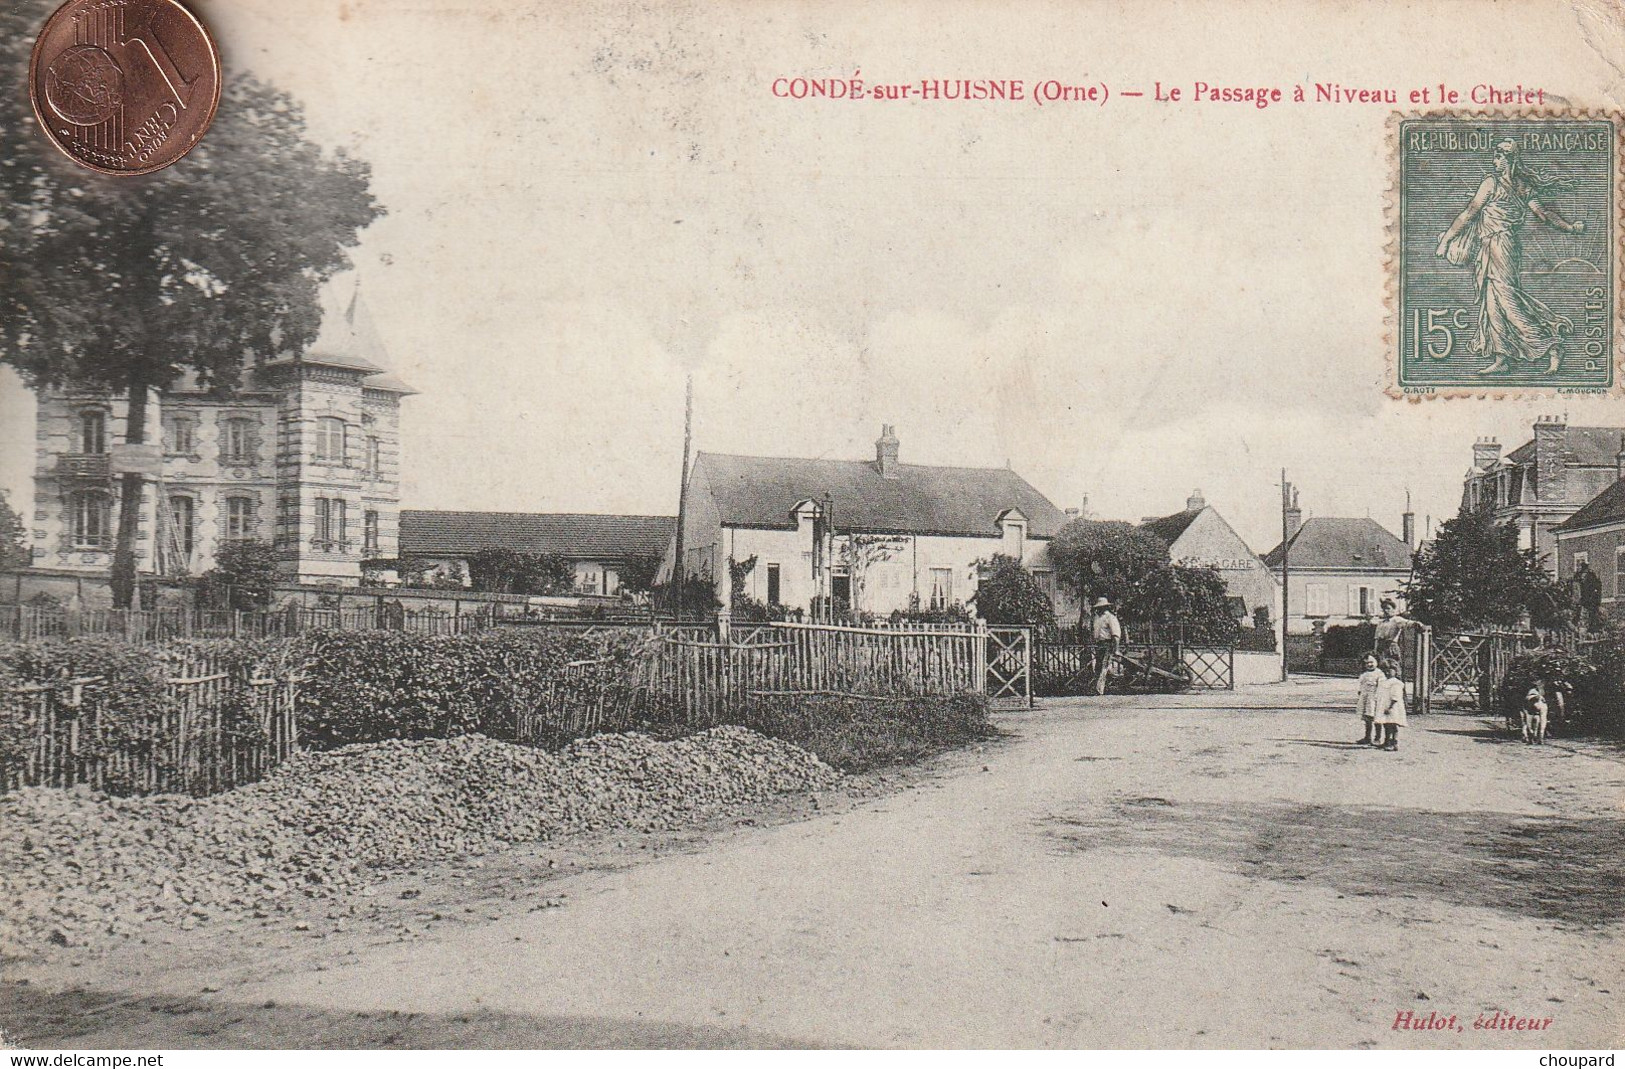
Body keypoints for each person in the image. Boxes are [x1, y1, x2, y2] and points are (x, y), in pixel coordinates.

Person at [1435, 138, 1586, 376]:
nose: (1495, 162)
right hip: (1499, 247)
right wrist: (1569, 227)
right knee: (1493, 302)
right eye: (1495, 157)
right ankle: (1503, 357)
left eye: (1498, 157)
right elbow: (1543, 215)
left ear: (1509, 159)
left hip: (1500, 246)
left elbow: (1468, 214)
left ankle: (1551, 344)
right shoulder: (1522, 187)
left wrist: (1445, 242)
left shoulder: (1493, 184)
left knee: (1506, 300)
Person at [1089, 596, 1122, 696]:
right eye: (1098, 608)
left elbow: (1116, 635)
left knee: (1104, 666)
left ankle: (1099, 690)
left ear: (1105, 607)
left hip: (1108, 644)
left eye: (1101, 607)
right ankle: (1109, 681)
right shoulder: (1097, 618)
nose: (1099, 609)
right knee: (1099, 666)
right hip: (1099, 645)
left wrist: (1116, 649)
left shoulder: (1110, 618)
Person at [1376, 658, 1407, 751]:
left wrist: (1390, 707)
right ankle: (1387, 741)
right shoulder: (1384, 682)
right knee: (1386, 724)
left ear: (1396, 671)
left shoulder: (1396, 683)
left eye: (1389, 670)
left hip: (1393, 707)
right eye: (1385, 671)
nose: (1387, 673)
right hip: (1385, 706)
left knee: (1393, 725)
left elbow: (1395, 696)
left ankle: (1394, 742)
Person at [1355, 653, 1385, 745]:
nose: (1369, 665)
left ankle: (1377, 738)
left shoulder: (1379, 674)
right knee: (1367, 719)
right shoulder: (1364, 674)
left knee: (1376, 718)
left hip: (1374, 698)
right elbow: (1361, 685)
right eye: (1367, 663)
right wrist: (1360, 693)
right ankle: (1367, 737)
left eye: (1371, 662)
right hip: (1365, 698)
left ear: (1377, 662)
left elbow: (1381, 687)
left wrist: (1378, 697)